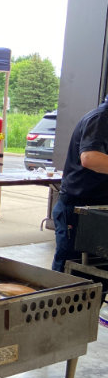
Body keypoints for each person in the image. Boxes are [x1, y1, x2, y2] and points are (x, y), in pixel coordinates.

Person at [52, 94, 108, 272]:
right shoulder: (101, 118)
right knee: (70, 272)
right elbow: (90, 158)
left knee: (97, 272)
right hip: (79, 211)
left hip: (99, 210)